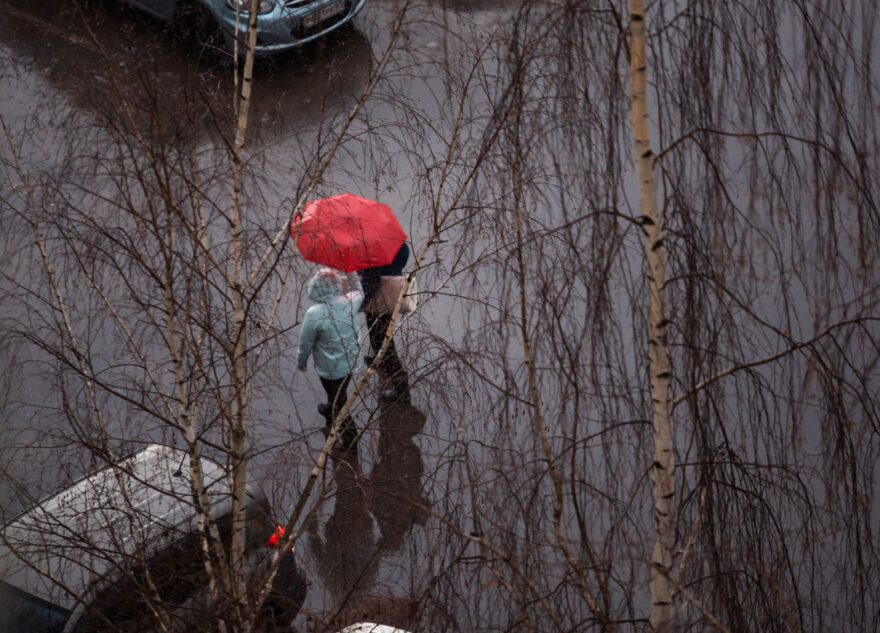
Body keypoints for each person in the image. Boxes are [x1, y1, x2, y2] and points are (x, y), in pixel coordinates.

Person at [297, 267, 363, 449]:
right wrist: (351, 270)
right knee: (338, 393)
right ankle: (330, 408)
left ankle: (350, 439)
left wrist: (301, 362)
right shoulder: (351, 302)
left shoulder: (314, 313)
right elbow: (358, 289)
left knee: (339, 403)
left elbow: (305, 343)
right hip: (350, 362)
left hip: (329, 368)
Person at [358, 242, 410, 400]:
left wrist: (360, 303)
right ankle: (380, 360)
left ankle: (400, 388)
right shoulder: (396, 242)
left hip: (380, 297)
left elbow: (371, 280)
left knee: (381, 340)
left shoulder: (373, 249)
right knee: (383, 334)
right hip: (393, 292)